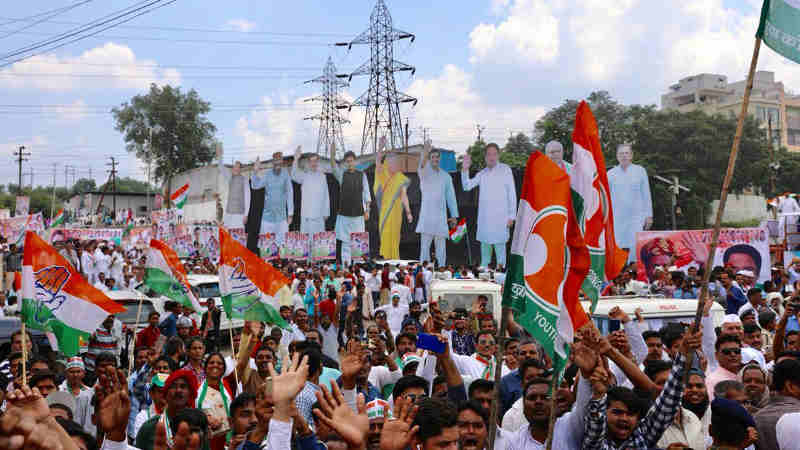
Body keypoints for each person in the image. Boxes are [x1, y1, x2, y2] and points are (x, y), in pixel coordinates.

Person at [461, 142, 516, 268]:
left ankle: (501, 284)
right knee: (484, 260)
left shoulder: (505, 170)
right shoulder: (482, 173)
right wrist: (465, 169)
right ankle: (485, 283)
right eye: (489, 154)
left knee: (501, 259)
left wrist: (512, 216)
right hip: (485, 221)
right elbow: (466, 186)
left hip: (501, 220)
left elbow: (512, 193)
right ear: (485, 157)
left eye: (494, 154)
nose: (492, 157)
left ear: (498, 155)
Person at [416, 139, 458, 266]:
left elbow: (451, 197)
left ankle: (442, 271)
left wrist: (454, 216)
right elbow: (421, 166)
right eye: (432, 157)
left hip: (441, 218)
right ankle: (424, 273)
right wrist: (425, 152)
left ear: (440, 159)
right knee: (424, 249)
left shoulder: (446, 176)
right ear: (429, 158)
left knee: (441, 249)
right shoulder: (424, 173)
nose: (435, 159)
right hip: (427, 217)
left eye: (437, 157)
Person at [607, 144, 653, 261]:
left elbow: (646, 194)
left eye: (626, 153)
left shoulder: (640, 171)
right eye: (621, 154)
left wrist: (649, 215)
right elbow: (606, 197)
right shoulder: (610, 174)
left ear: (631, 155)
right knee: (618, 244)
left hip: (636, 217)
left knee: (635, 245)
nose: (624, 156)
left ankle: (634, 274)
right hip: (617, 218)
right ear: (617, 156)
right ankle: (620, 275)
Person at [330, 144, 371, 268]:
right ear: (345, 163)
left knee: (358, 242)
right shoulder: (342, 175)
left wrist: (367, 210)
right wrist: (332, 155)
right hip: (344, 215)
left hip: (358, 215)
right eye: (347, 162)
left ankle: (358, 268)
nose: (349, 163)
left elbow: (367, 193)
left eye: (351, 161)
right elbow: (333, 167)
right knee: (345, 243)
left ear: (355, 161)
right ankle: (346, 268)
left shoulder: (362, 175)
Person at [373, 137, 413, 259]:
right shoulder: (382, 173)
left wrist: (408, 212)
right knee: (385, 237)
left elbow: (404, 195)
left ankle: (395, 261)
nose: (395, 164)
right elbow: (378, 162)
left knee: (395, 238)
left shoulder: (400, 178)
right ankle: (385, 261)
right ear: (387, 162)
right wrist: (380, 147)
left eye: (396, 162)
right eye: (392, 162)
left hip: (397, 214)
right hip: (385, 213)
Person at [250, 150, 294, 245]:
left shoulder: (286, 174)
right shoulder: (267, 174)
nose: (278, 162)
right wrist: (255, 171)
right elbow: (255, 185)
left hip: (282, 218)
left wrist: (290, 213)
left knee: (283, 246)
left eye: (280, 160)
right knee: (266, 246)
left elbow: (290, 193)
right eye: (276, 160)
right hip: (267, 218)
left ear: (282, 162)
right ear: (273, 162)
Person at [292, 146, 330, 234]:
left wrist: (326, 212)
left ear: (318, 162)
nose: (314, 163)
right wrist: (296, 159)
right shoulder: (304, 176)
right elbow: (294, 175)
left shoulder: (323, 177)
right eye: (312, 161)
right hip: (307, 217)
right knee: (307, 243)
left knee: (319, 244)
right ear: (309, 163)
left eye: (315, 161)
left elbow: (326, 195)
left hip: (320, 216)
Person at [215, 143, 251, 228]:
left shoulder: (244, 180)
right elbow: (221, 167)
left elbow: (248, 197)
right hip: (229, 213)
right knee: (227, 235)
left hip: (239, 214)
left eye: (237, 167)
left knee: (237, 237)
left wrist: (246, 214)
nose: (234, 168)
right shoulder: (230, 177)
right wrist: (220, 156)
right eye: (234, 166)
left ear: (240, 169)